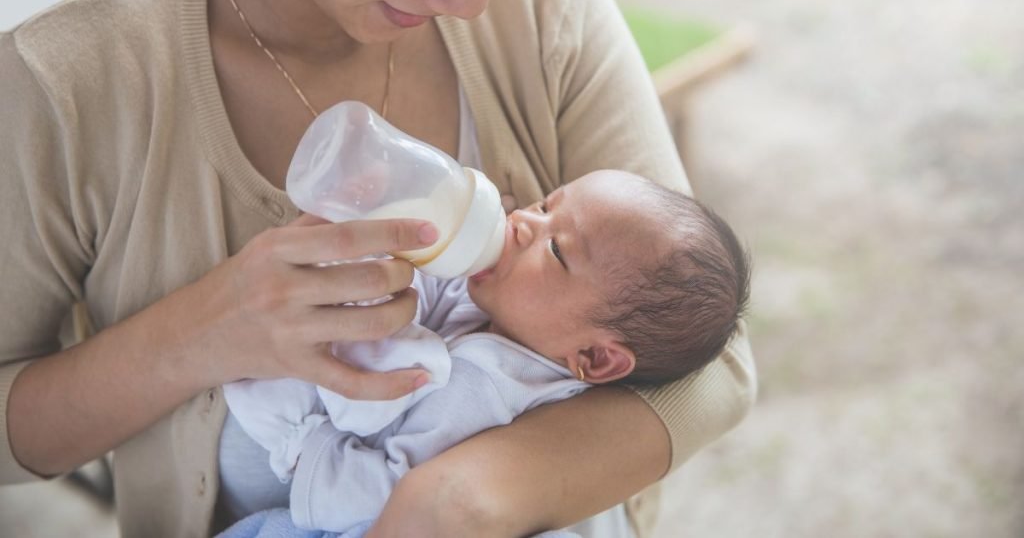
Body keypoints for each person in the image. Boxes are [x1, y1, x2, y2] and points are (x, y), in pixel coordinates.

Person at [0, 0, 757, 537]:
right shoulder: (65, 85)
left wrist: (455, 498)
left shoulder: (550, 9)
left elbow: (711, 369)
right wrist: (200, 332)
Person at [220, 169, 751, 535]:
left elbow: (383, 492)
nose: (523, 221)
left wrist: (305, 444)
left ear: (594, 358)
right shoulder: (507, 311)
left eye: (557, 249)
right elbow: (425, 289)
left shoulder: (488, 392)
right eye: (546, 205)